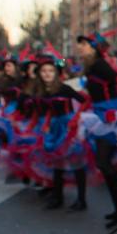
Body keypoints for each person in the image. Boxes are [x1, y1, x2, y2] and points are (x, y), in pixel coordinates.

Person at [75, 33, 117, 224]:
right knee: (104, 163)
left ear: (94, 47)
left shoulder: (100, 65)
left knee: (104, 163)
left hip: (109, 118)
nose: (80, 47)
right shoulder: (92, 66)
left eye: (84, 44)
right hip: (99, 115)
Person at [32, 59, 88, 210]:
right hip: (52, 130)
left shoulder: (64, 88)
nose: (47, 74)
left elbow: (85, 101)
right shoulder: (39, 91)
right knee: (57, 163)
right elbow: (39, 112)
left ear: (56, 73)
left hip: (69, 129)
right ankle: (58, 197)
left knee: (77, 162)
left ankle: (81, 200)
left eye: (50, 71)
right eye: (44, 71)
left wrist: (76, 119)